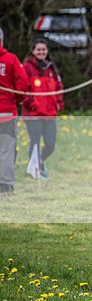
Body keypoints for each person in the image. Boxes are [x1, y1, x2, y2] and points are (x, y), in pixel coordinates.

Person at [21, 39, 64, 179]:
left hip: (50, 113)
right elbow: (22, 88)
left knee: (51, 144)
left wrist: (59, 104)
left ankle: (40, 161)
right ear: (33, 51)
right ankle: (35, 172)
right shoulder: (27, 67)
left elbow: (59, 88)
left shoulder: (51, 68)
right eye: (38, 50)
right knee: (35, 143)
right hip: (34, 113)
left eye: (43, 50)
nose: (41, 52)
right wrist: (30, 103)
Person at [0, 27, 31, 194]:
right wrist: (18, 101)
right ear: (2, 40)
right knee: (6, 150)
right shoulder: (11, 60)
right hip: (6, 115)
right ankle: (5, 186)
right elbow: (22, 85)